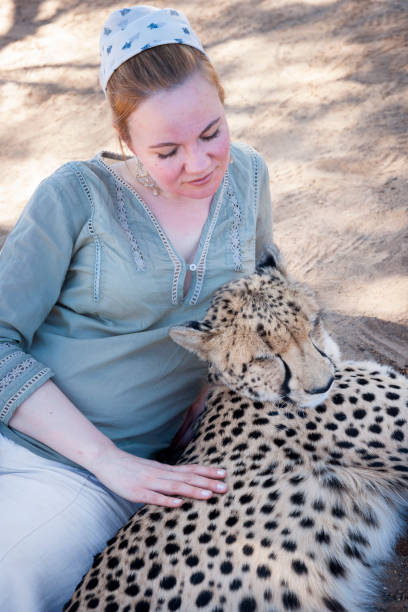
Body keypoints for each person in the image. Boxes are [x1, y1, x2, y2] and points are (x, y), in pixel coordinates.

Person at [0, 6, 277, 611]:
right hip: (52, 447)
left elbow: (260, 287)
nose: (199, 164)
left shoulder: (250, 178)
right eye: (167, 150)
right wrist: (108, 460)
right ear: (127, 142)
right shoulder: (75, 195)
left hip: (79, 481)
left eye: (212, 133)